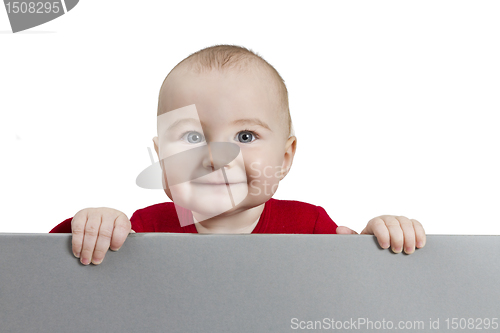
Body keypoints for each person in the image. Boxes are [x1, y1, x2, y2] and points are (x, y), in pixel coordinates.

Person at [49, 44, 426, 265]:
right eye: (192, 136)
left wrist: (379, 243)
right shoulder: (141, 230)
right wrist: (90, 227)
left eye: (245, 135)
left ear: (285, 157)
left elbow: (349, 291)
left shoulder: (310, 227)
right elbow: (48, 270)